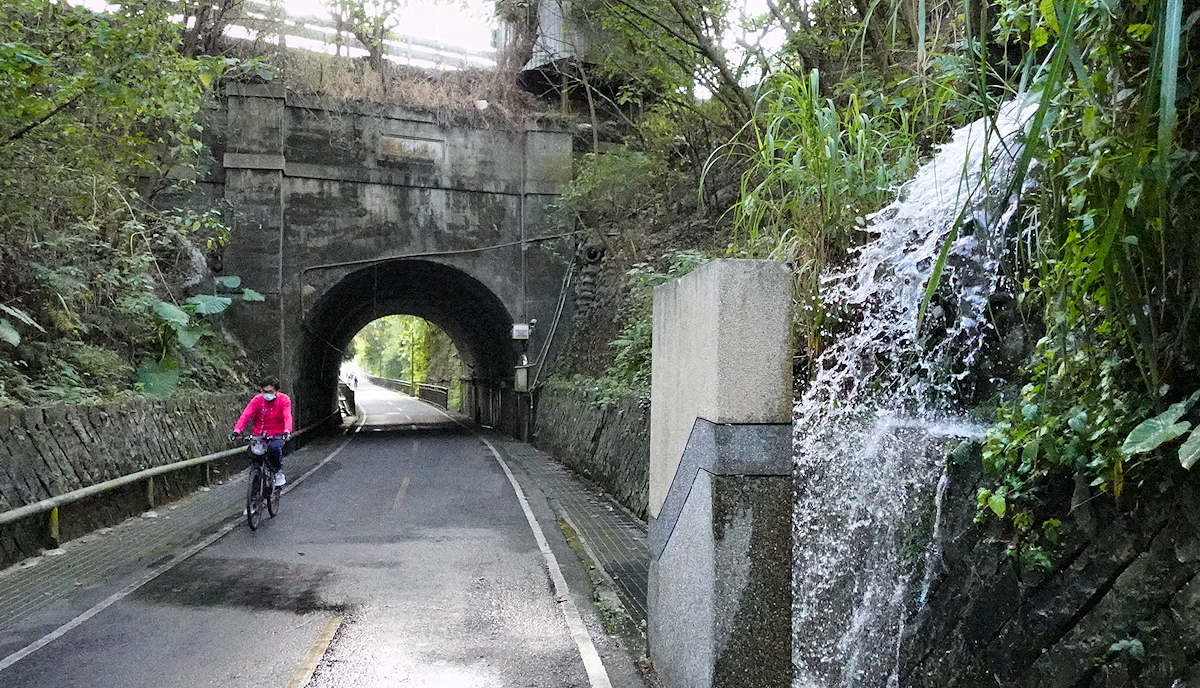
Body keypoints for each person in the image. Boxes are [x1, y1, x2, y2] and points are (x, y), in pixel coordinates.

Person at [228, 378, 294, 487]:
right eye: (264, 391)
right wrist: (237, 430)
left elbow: (287, 416)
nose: (267, 394)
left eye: (270, 392)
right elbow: (246, 415)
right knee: (252, 453)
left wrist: (287, 431)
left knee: (274, 449)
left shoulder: (284, 400)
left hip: (276, 434)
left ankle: (277, 472)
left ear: (276, 391)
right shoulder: (257, 400)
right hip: (259, 433)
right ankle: (256, 476)